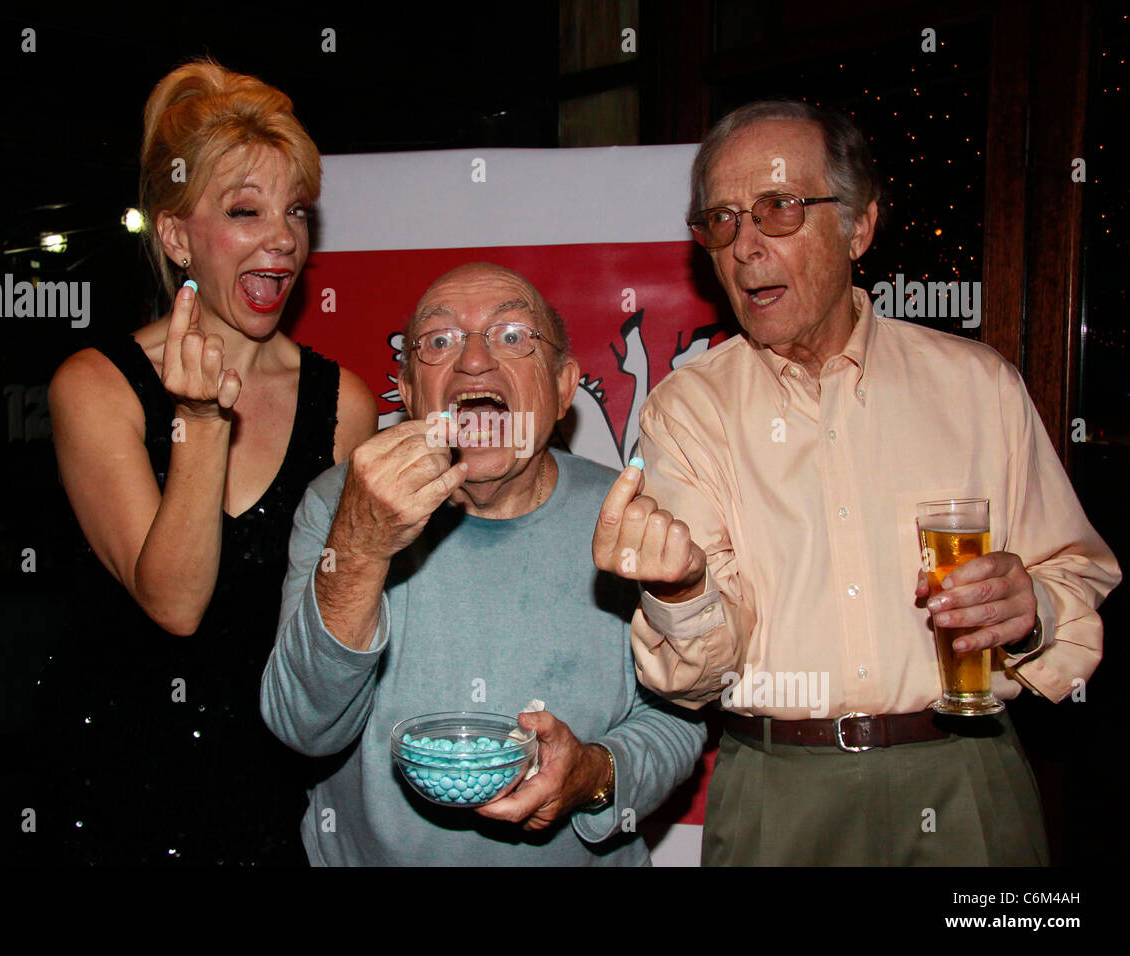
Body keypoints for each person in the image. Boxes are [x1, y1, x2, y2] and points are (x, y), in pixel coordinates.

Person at [593, 100, 1121, 865]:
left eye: (778, 210)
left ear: (859, 228)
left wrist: (1031, 608)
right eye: (723, 220)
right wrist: (679, 592)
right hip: (780, 793)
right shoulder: (689, 409)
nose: (744, 247)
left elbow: (1076, 569)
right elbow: (697, 675)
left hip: (965, 777)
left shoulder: (977, 386)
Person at [34, 58, 377, 865]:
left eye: (294, 211)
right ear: (178, 235)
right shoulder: (96, 388)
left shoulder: (343, 403)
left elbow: (344, 611)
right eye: (245, 211)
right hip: (116, 793)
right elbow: (177, 603)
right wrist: (199, 419)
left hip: (280, 797)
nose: (282, 240)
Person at [260, 263, 706, 865]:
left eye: (512, 336)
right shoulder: (340, 504)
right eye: (439, 342)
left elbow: (679, 719)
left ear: (563, 385)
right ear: (410, 391)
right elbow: (301, 727)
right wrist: (361, 546)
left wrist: (594, 776)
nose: (473, 362)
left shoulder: (626, 512)